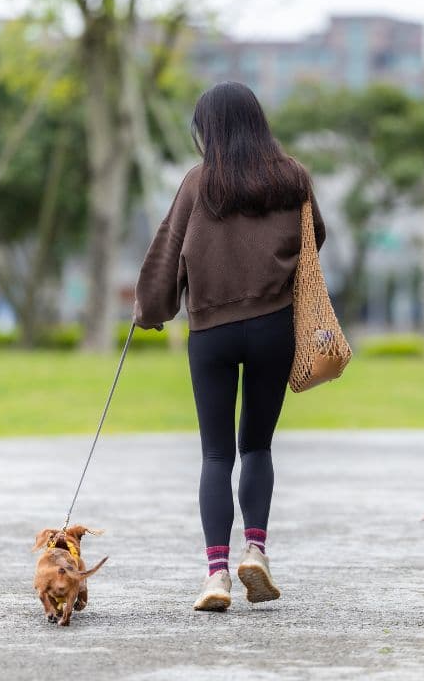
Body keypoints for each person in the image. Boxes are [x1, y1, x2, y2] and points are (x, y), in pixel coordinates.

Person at [133, 81, 325, 611]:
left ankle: (216, 574)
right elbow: (317, 237)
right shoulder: (292, 178)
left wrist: (149, 311)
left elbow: (168, 251)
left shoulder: (199, 184)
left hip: (212, 334)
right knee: (256, 446)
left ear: (209, 130)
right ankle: (256, 552)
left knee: (215, 454)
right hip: (273, 329)